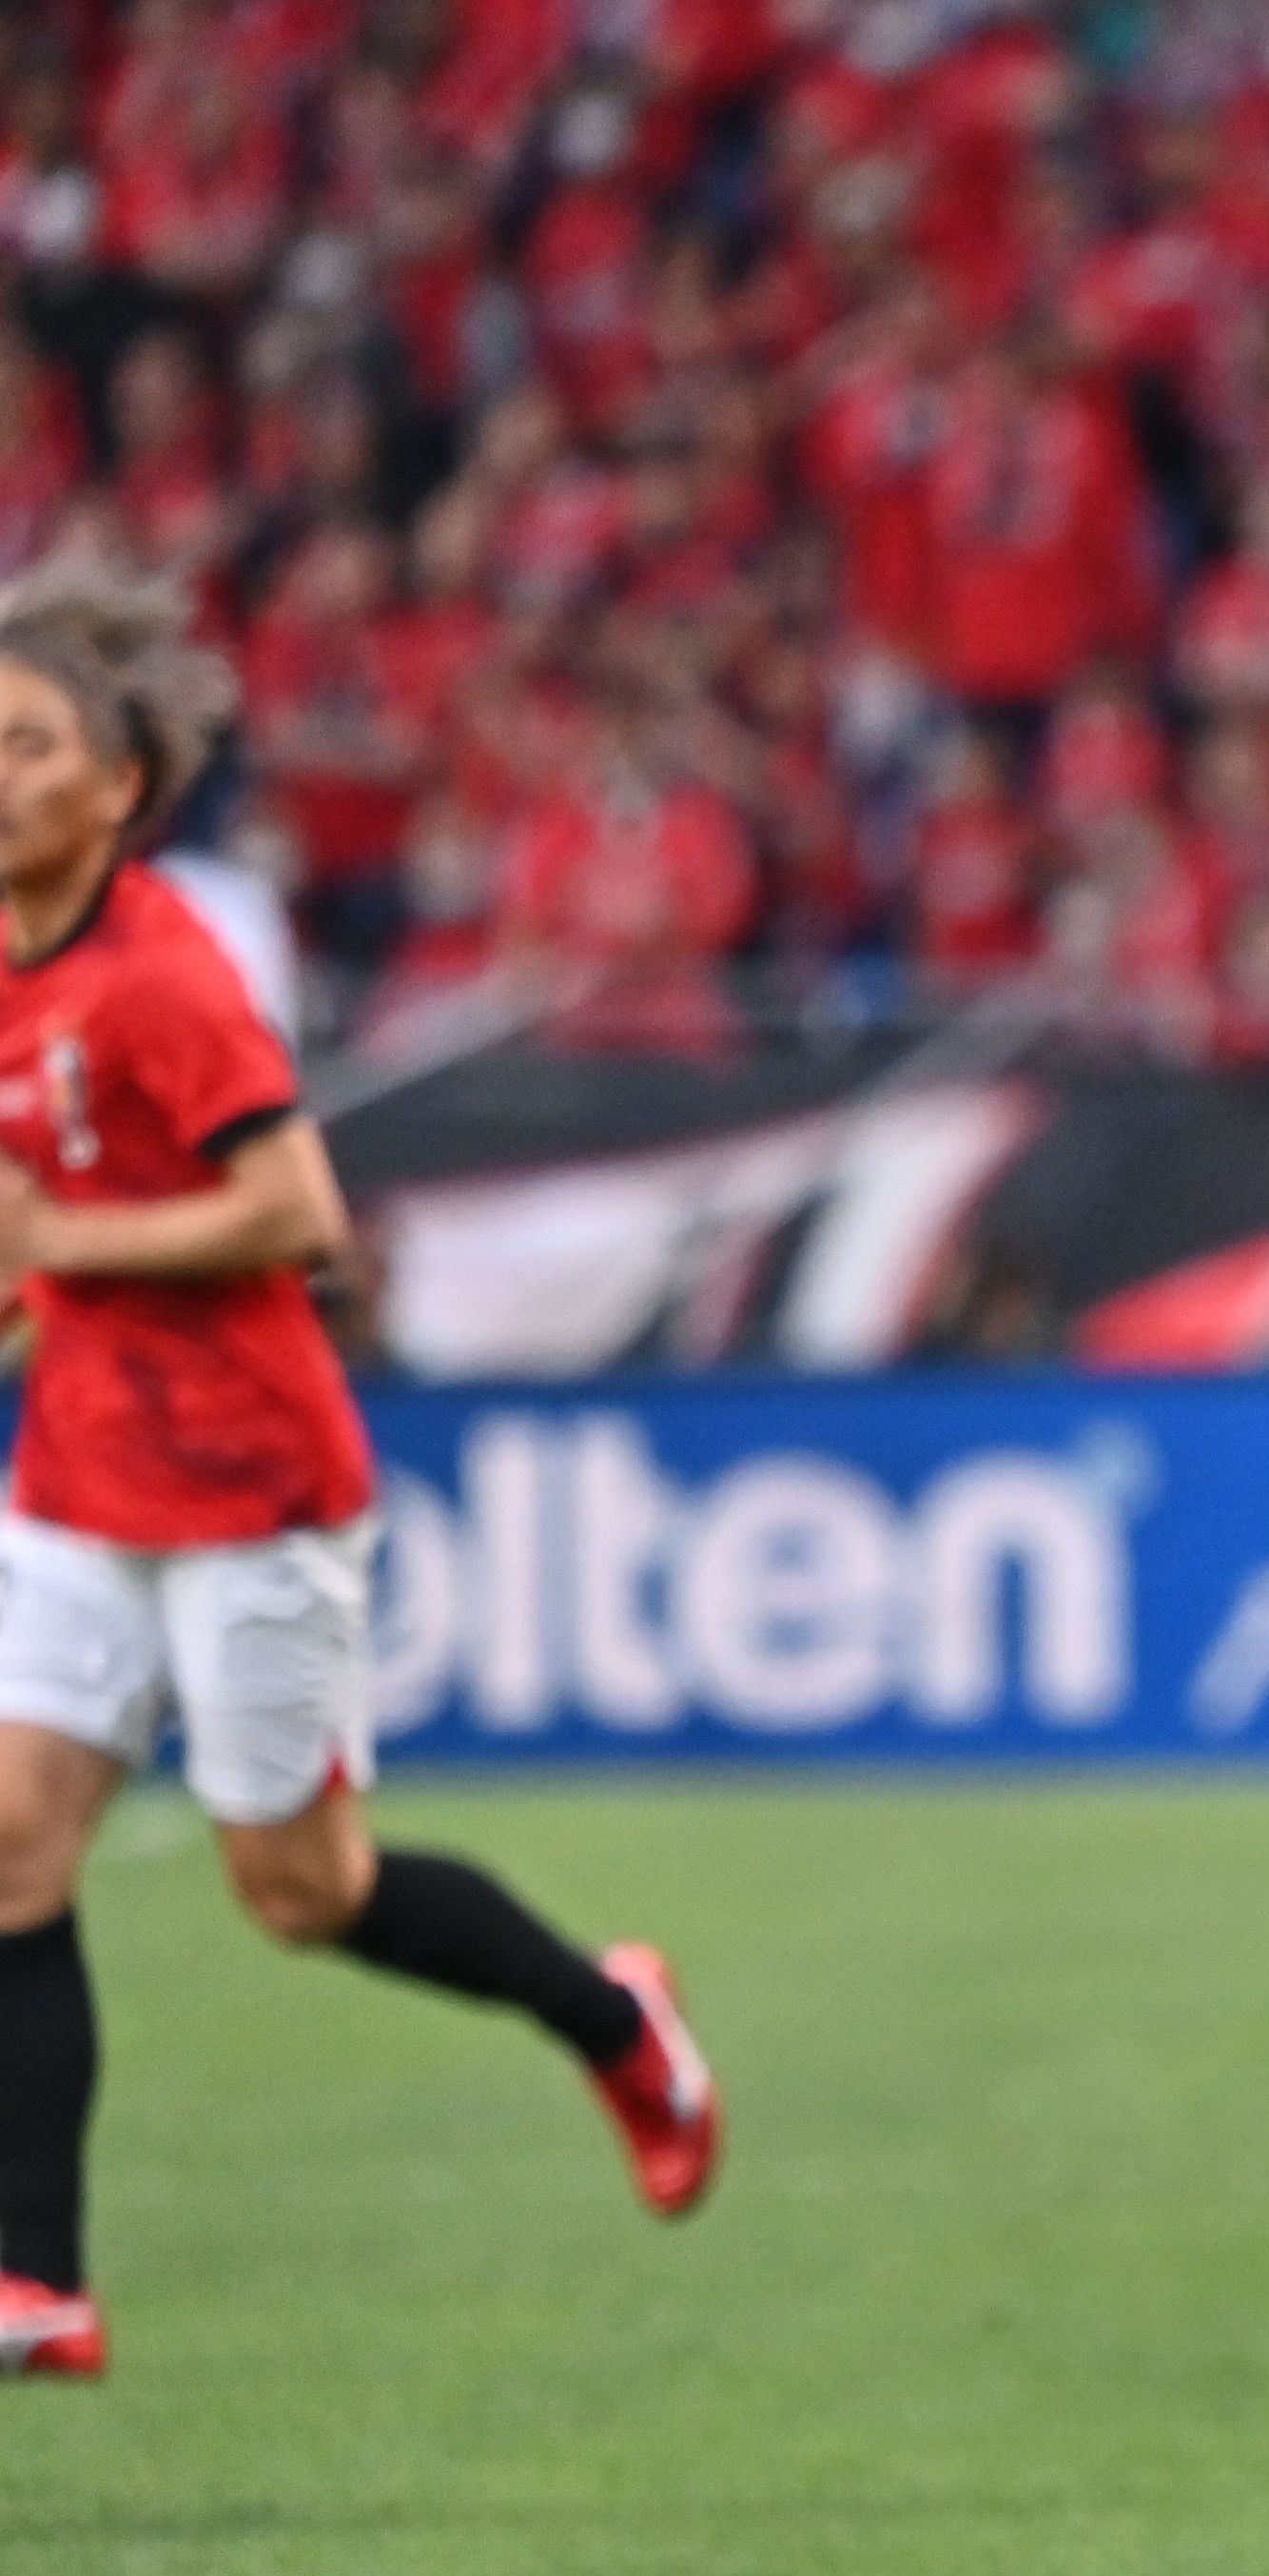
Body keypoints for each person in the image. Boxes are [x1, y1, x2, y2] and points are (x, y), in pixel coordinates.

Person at [0, 567, 721, 2384]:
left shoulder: (164, 975)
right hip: (79, 1472)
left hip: (248, 1485)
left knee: (301, 1891)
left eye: (27, 746)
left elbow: (297, 1212)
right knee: (8, 1844)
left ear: (118, 787)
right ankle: (36, 2281)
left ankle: (609, 2018)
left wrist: (64, 1242)